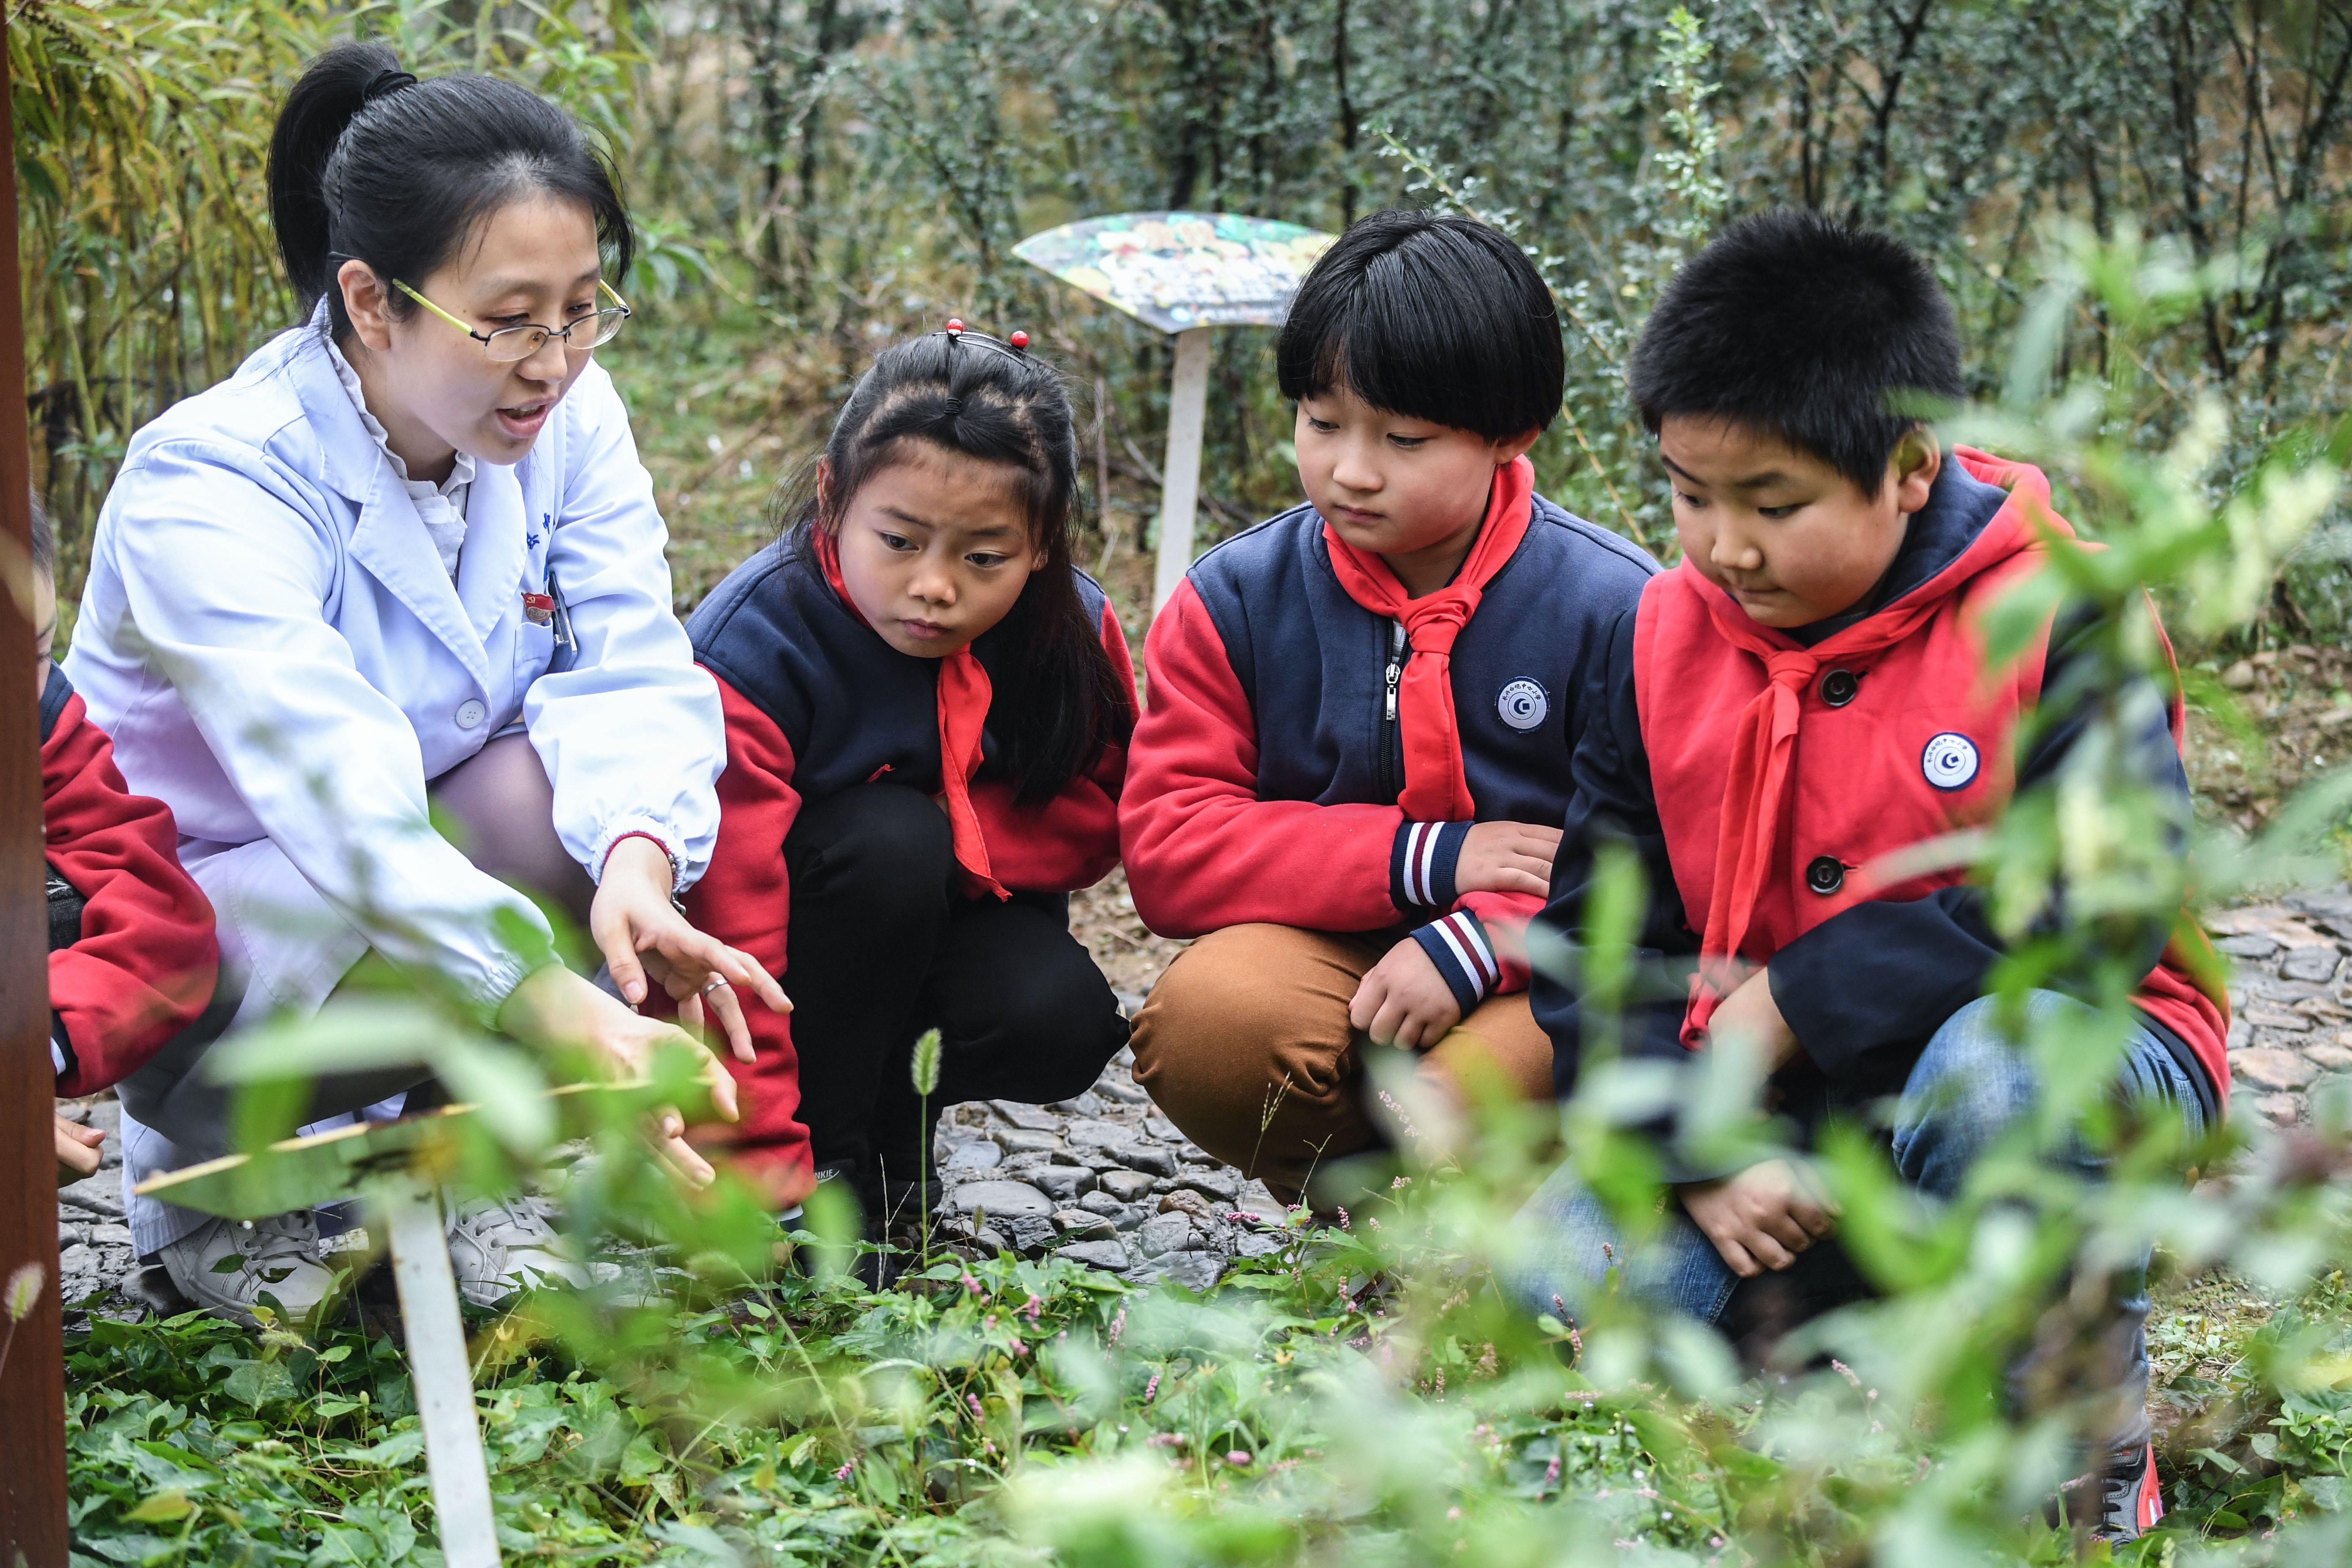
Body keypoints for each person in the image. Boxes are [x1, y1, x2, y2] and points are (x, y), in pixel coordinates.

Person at [1512, 209, 2227, 1543]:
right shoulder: (1654, 639)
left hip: (2074, 1058)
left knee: (2002, 1077)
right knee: (1553, 1289)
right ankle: (1813, 1387)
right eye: (1688, 493)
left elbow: (2101, 907)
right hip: (1782, 1115)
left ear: (1907, 467)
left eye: (1772, 504)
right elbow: (1596, 942)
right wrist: (1690, 1145)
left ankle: (2073, 1451)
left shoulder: (2060, 609)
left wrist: (1794, 996)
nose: (1725, 545)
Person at [65, 42, 785, 1325]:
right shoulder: (216, 480)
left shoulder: (566, 413)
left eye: (581, 308)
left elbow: (631, 658)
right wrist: (552, 1001)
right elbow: (340, 801)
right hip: (214, 931)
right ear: (372, 301)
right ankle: (223, 1201)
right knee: (427, 871)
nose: (552, 361)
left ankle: (472, 1174)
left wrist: (635, 862)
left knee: (553, 814)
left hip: (411, 872)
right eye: (506, 320)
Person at [1119, 210, 1659, 1205]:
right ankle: (1365, 1220)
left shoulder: (1617, 607)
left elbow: (1662, 863)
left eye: (1404, 439)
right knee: (1213, 1021)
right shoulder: (1237, 598)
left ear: (1513, 434)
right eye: (1322, 424)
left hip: (1547, 967)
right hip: (1332, 947)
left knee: (1456, 1098)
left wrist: (1475, 938)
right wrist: (1429, 859)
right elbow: (1168, 848)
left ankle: (1515, 1250)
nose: (1352, 469)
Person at [683, 325, 1135, 1235]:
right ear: (831, 495)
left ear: (1044, 544)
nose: (933, 586)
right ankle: (835, 1168)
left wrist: (961, 829)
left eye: (983, 558)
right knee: (890, 843)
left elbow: (1104, 809)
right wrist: (765, 1163)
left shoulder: (1071, 629)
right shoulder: (755, 647)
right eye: (899, 539)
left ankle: (898, 1124)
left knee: (1061, 1016)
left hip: (947, 934)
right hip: (791, 947)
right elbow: (730, 925)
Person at [29, 494, 224, 1185]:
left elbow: (158, 913)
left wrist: (32, 1051)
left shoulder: (45, 729)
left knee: (53, 899)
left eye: (36, 651)